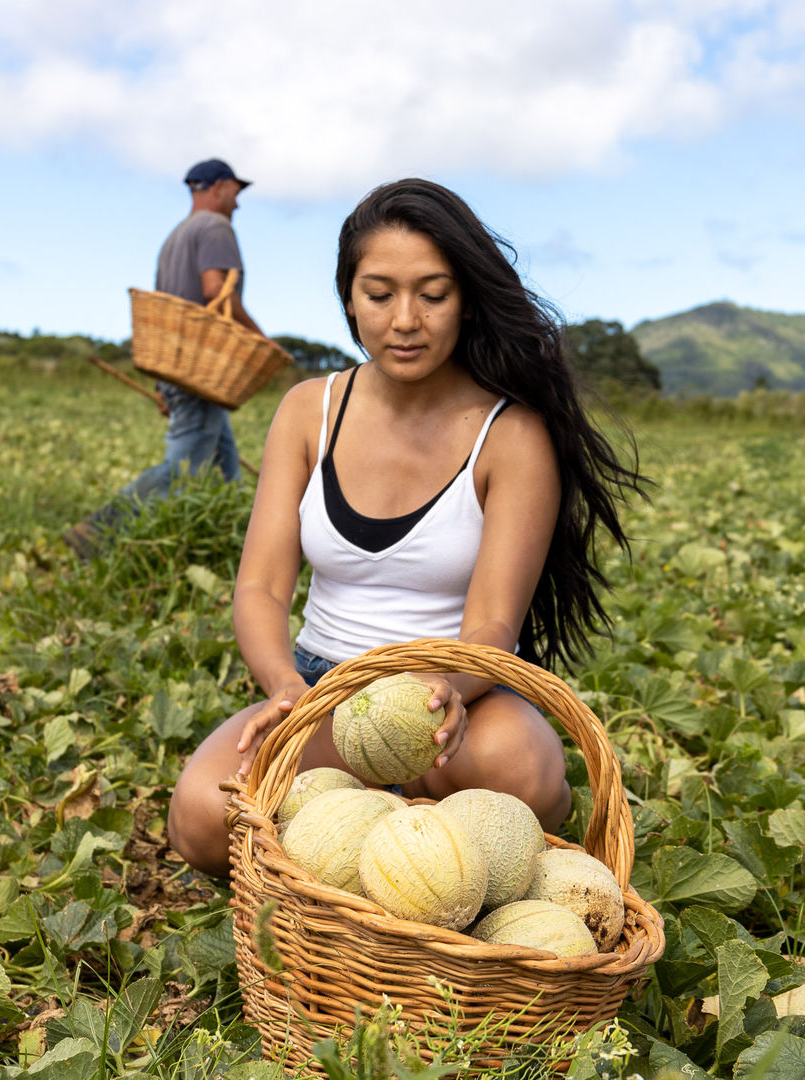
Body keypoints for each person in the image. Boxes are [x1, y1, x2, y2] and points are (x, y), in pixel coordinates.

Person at [166, 178, 648, 877]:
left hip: (455, 696)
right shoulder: (310, 410)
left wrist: (441, 687)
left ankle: (406, 855)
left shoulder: (510, 436)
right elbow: (261, 587)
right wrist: (284, 689)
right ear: (349, 296)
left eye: (433, 292)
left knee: (523, 774)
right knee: (202, 821)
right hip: (322, 690)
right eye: (379, 292)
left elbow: (490, 623)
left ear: (466, 299)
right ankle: (379, 846)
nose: (405, 320)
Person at [66, 158, 265, 559]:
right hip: (201, 369)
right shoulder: (216, 228)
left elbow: (168, 312)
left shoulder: (175, 237)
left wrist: (163, 383)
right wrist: (259, 338)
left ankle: (236, 553)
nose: (238, 203)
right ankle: (96, 533)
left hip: (177, 367)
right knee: (181, 470)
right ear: (220, 187)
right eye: (236, 193)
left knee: (225, 472)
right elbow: (216, 292)